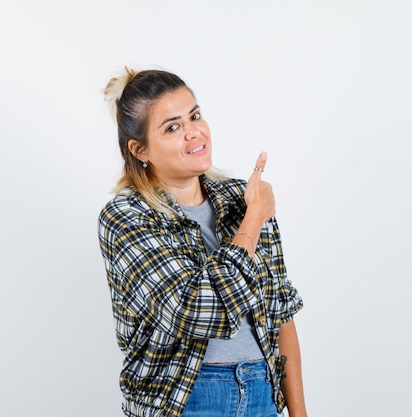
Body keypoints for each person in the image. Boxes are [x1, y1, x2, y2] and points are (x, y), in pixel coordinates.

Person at [97, 67, 307, 417]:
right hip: (185, 402)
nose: (194, 132)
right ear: (140, 149)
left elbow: (280, 312)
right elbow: (197, 309)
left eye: (194, 115)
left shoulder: (241, 197)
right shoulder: (127, 217)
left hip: (261, 393)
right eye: (172, 127)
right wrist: (254, 219)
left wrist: (299, 414)